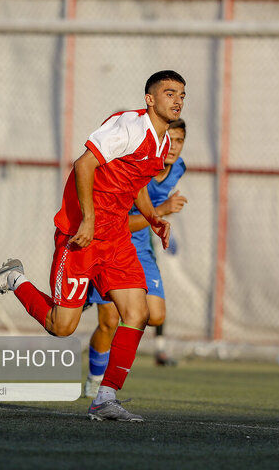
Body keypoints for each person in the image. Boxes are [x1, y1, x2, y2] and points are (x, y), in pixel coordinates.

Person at [0, 70, 187, 422]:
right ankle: (13, 278)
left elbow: (135, 183)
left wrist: (153, 217)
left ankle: (105, 398)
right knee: (62, 327)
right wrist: (88, 219)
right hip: (81, 236)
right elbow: (84, 164)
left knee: (138, 313)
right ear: (150, 99)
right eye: (169, 92)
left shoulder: (163, 143)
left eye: (181, 93)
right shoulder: (129, 127)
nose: (177, 99)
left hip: (116, 238)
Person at [85, 118, 188, 398]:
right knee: (109, 320)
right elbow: (120, 223)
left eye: (179, 141)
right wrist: (162, 210)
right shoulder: (131, 167)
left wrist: (159, 215)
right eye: (170, 138)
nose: (173, 146)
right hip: (110, 244)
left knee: (155, 315)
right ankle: (97, 380)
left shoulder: (177, 169)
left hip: (140, 248)